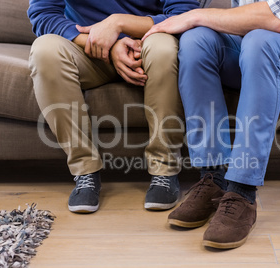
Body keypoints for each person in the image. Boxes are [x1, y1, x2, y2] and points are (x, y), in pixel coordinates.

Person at [142, 0, 280, 249]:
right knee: (195, 41)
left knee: (260, 40)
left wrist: (196, 16)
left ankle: (242, 191)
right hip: (247, 45)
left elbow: (276, 20)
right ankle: (213, 177)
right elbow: (187, 11)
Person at [27, 0, 202, 213]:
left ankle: (164, 171)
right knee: (44, 50)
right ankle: (85, 171)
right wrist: (106, 46)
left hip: (148, 43)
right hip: (89, 47)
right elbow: (43, 15)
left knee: (163, 49)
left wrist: (118, 24)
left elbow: (184, 14)